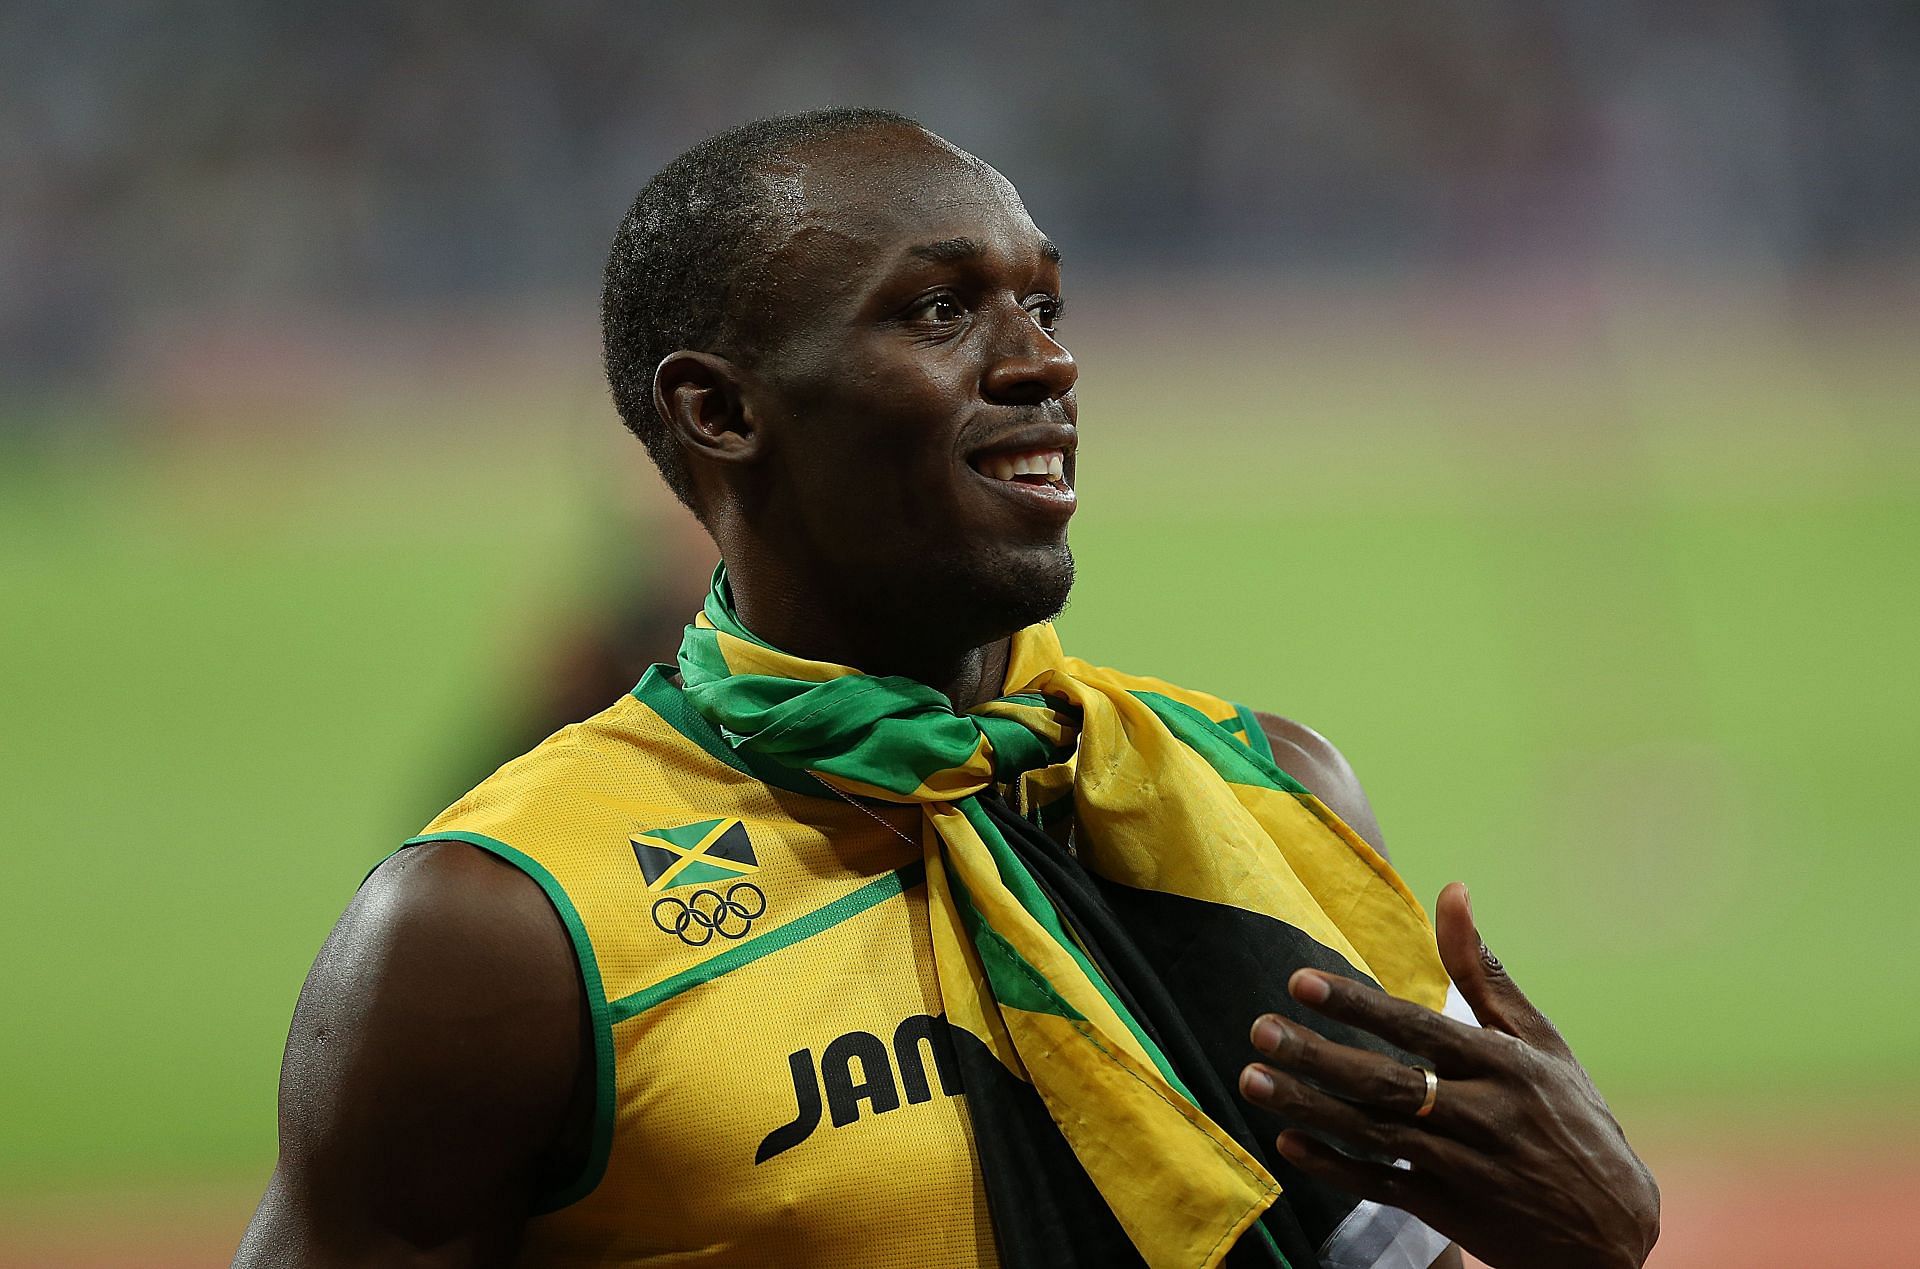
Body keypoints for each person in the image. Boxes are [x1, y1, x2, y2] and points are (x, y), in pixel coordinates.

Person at [235, 109, 1658, 1269]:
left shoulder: (1267, 796)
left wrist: (1585, 1245)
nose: (1044, 363)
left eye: (1043, 300)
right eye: (938, 310)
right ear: (720, 411)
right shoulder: (496, 936)